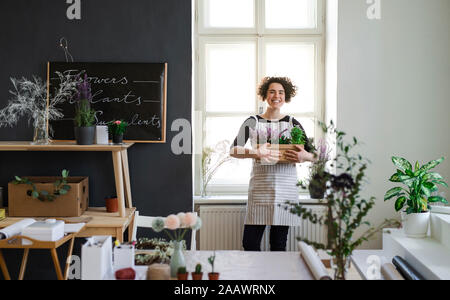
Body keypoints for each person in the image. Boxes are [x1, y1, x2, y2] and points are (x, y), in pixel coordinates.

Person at [230, 76, 316, 251]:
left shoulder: (293, 123)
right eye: (272, 92)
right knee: (250, 244)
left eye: (281, 92)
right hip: (260, 190)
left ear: (286, 96)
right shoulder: (252, 121)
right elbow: (233, 150)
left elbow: (315, 155)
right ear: (264, 95)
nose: (276, 96)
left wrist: (303, 156)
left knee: (278, 245)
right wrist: (255, 152)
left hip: (285, 191)